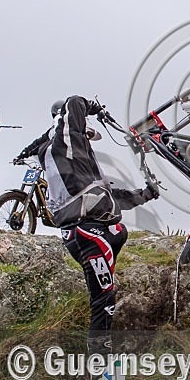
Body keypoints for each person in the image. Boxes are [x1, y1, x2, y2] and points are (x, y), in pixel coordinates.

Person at [16, 95, 158, 358]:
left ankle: (104, 359)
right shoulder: (63, 144)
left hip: (98, 228)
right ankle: (100, 367)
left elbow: (104, 197)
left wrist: (146, 194)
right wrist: (92, 107)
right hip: (86, 232)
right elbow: (73, 103)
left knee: (118, 236)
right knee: (103, 301)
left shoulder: (77, 159)